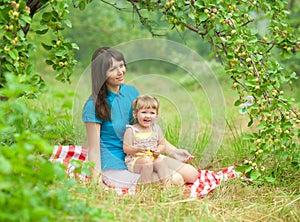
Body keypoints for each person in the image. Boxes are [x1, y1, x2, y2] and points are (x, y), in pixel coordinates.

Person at [82, 47, 198, 189]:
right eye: (113, 69)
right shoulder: (93, 105)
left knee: (192, 174)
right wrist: (97, 182)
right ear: (101, 74)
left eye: (121, 65)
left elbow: (146, 129)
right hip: (115, 165)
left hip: (142, 157)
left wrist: (174, 151)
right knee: (177, 180)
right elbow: (94, 149)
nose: (120, 72)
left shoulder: (131, 92)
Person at [123, 95, 170, 185]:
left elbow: (162, 144)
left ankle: (167, 187)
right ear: (135, 114)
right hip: (136, 159)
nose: (148, 116)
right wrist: (137, 149)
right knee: (147, 164)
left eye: (152, 113)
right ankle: (145, 189)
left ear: (156, 115)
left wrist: (158, 150)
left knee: (161, 162)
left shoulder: (156, 129)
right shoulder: (131, 130)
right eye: (144, 112)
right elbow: (126, 148)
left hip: (152, 156)